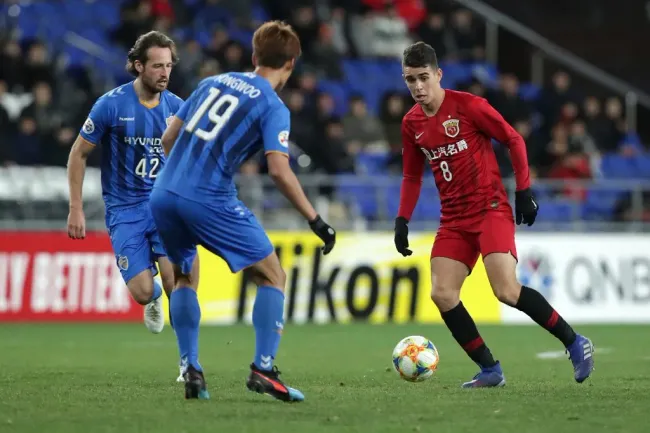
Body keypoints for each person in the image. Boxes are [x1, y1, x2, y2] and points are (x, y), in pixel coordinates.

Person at [149, 20, 336, 401]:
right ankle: (263, 369)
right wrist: (315, 219)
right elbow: (280, 171)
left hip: (164, 193)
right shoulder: (272, 105)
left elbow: (168, 138)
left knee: (184, 278)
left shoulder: (211, 82)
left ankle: (191, 370)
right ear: (291, 64)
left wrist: (183, 179)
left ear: (253, 56)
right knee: (272, 275)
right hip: (209, 197)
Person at [393, 41, 594, 388]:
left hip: (489, 208)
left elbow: (514, 139)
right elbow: (412, 175)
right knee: (442, 293)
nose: (418, 87)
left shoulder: (469, 106)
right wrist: (402, 219)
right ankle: (489, 369)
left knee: (505, 290)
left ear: (438, 74)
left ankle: (575, 341)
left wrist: (524, 191)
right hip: (453, 219)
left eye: (424, 78)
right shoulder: (411, 123)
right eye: (410, 80)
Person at [66, 31, 197, 381]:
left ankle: (189, 365)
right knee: (143, 292)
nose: (164, 72)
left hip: (164, 207)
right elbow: (78, 153)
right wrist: (76, 207)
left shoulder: (178, 108)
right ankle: (151, 298)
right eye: (157, 65)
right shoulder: (111, 105)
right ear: (138, 66)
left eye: (168, 65)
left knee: (178, 283)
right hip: (124, 209)